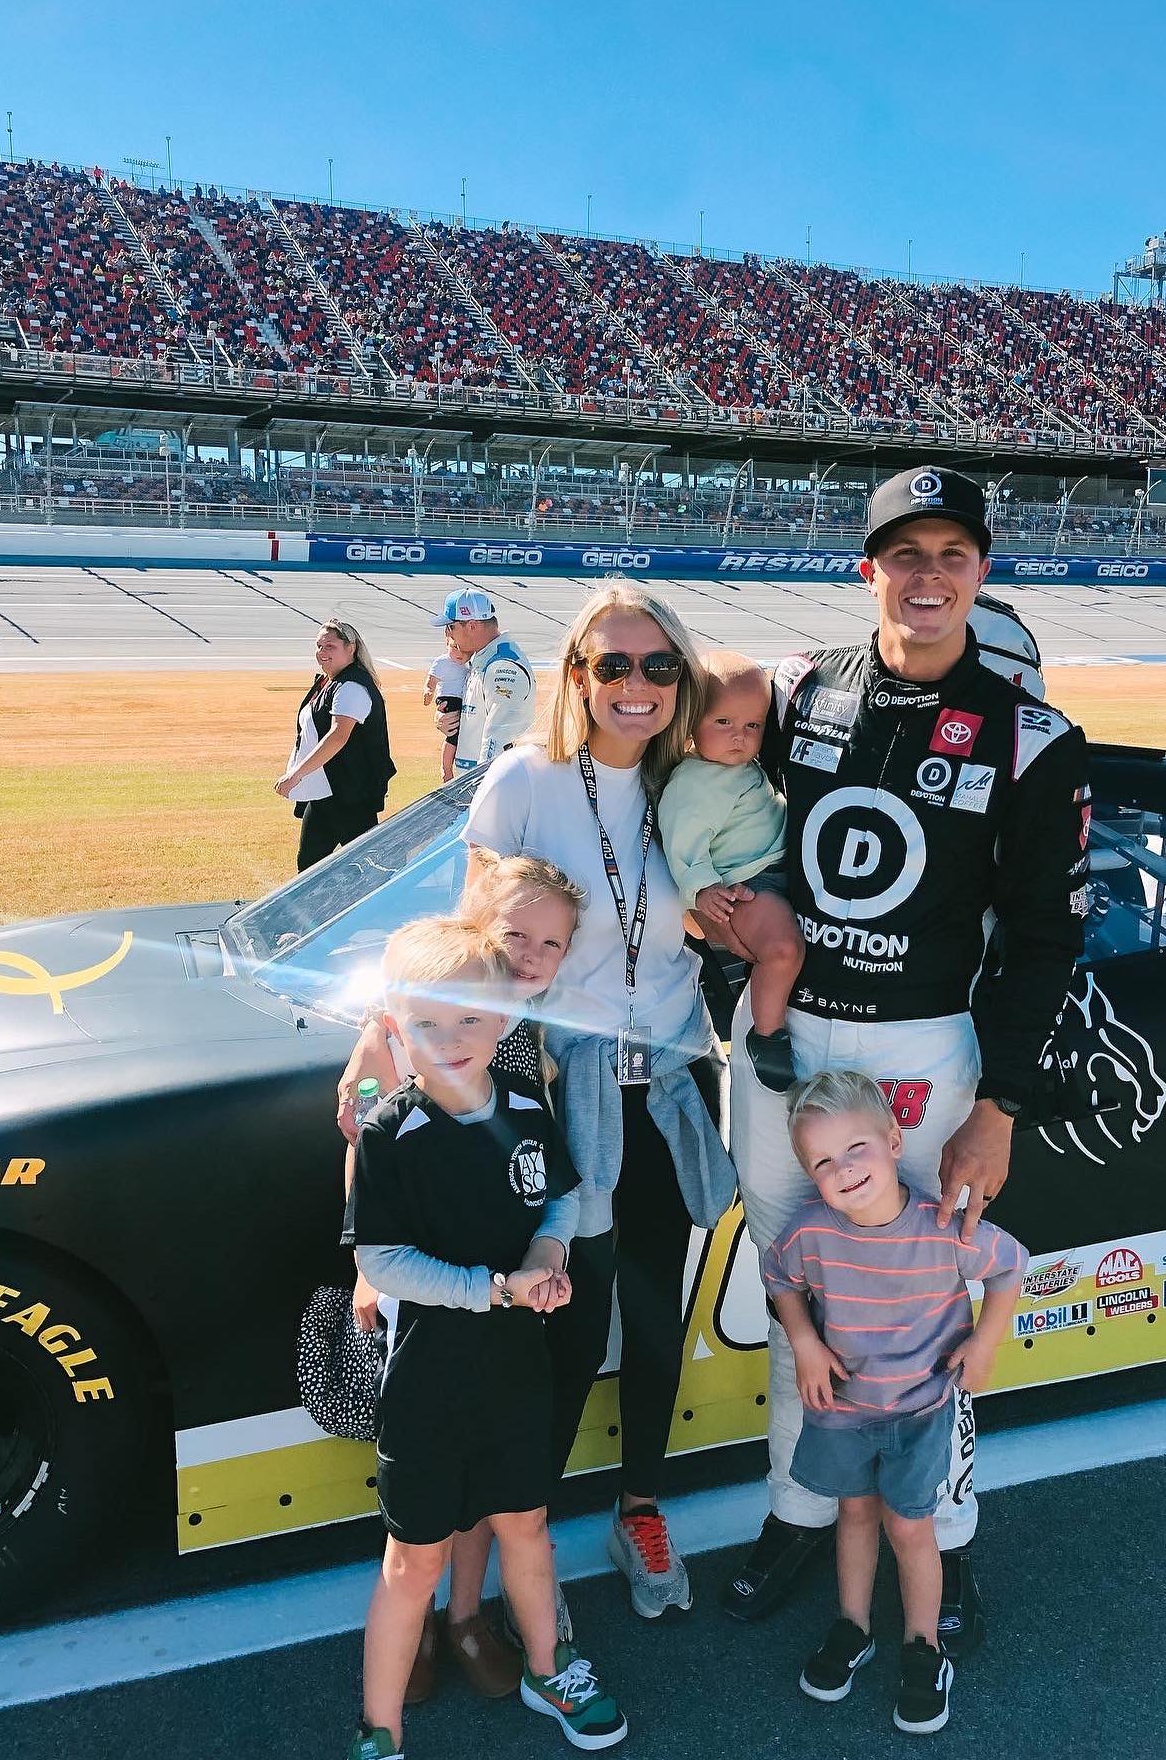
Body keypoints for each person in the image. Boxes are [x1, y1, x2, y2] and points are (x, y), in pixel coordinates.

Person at [711, 465, 1088, 1654]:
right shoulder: (801, 690)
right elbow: (703, 812)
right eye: (904, 551)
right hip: (784, 1038)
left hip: (925, 1050)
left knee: (927, 1309)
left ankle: (946, 1528)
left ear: (981, 571)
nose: (928, 573)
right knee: (795, 1296)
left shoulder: (1034, 735)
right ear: (866, 566)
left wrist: (1004, 1104)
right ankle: (798, 1505)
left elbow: (1045, 936)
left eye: (953, 553)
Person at [463, 581, 737, 1621]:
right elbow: (473, 939)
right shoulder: (525, 780)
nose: (637, 686)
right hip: (556, 1085)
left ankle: (641, 1503)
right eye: (612, 665)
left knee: (655, 1320)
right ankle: (525, 1541)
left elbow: (725, 911)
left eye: (659, 667)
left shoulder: (695, 786)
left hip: (666, 1082)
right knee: (567, 1326)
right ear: (575, 672)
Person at [344, 917, 628, 1758]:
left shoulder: (530, 1109)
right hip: (430, 1387)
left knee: (526, 1529)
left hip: (515, 1378)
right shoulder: (391, 1133)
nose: (451, 1038)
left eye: (469, 1015)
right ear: (394, 1026)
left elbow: (563, 1201)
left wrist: (546, 1253)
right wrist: (493, 1290)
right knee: (414, 1565)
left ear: (504, 1015)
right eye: (426, 1022)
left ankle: (550, 1668)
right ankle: (380, 1729)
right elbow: (384, 1259)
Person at [763, 1071, 1026, 1735]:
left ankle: (923, 1647)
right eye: (822, 1161)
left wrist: (986, 1342)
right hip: (847, 1410)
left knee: (911, 1527)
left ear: (893, 1138)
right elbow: (779, 1277)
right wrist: (804, 1341)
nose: (843, 1169)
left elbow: (1010, 1266)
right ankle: (853, 1627)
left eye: (855, 1148)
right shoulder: (809, 1232)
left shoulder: (941, 1225)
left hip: (921, 1409)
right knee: (853, 1514)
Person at [657, 650, 804, 1090]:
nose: (739, 737)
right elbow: (683, 846)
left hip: (776, 871)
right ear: (690, 722)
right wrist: (703, 892)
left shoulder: (739, 767)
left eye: (752, 726)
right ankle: (766, 1036)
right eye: (723, 723)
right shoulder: (693, 782)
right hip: (748, 886)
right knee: (782, 951)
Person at [277, 618, 396, 872]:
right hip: (326, 793)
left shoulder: (351, 686)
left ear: (350, 647)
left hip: (348, 796)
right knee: (310, 866)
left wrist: (296, 775)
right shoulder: (329, 681)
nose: (322, 652)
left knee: (369, 868)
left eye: (329, 646)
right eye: (319, 646)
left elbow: (338, 736)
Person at [430, 588, 536, 772]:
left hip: (489, 785)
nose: (448, 635)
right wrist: (446, 718)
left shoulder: (503, 667)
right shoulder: (482, 660)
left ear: (472, 626)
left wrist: (483, 791)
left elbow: (498, 740)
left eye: (450, 627)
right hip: (474, 781)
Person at [423, 626, 473, 784]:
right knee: (453, 735)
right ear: (447, 643)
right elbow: (431, 681)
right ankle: (446, 768)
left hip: (462, 700)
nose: (459, 654)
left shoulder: (468, 664)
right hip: (449, 699)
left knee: (457, 735)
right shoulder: (443, 661)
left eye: (464, 650)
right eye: (454, 648)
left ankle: (448, 768)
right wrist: (428, 692)